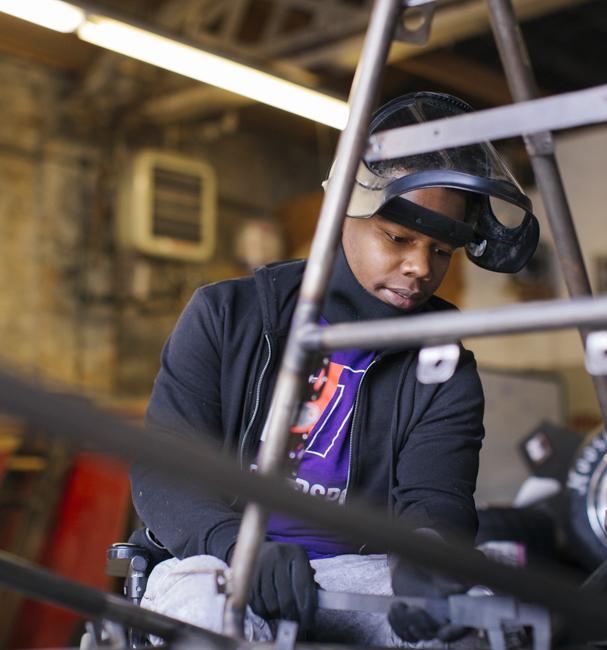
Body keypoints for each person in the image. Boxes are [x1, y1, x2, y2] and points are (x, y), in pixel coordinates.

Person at [130, 92, 539, 645]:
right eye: (399, 238)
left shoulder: (441, 363)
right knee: (204, 619)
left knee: (478, 622)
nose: (420, 267)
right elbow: (165, 468)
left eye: (442, 251)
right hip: (218, 561)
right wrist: (240, 546)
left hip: (359, 568)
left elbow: (435, 498)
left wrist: (426, 567)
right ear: (346, 210)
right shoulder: (225, 316)